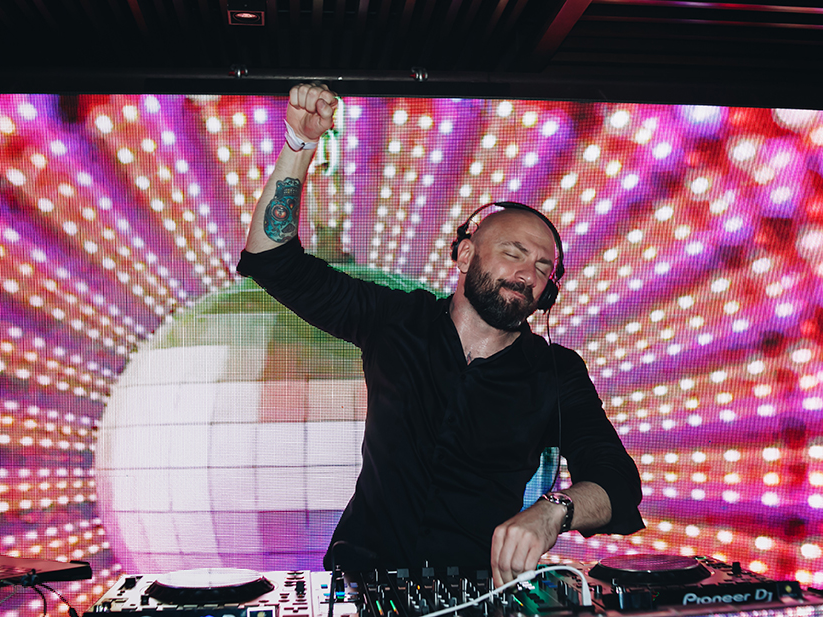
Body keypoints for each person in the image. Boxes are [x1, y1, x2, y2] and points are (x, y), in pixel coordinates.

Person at [237, 83, 644, 587]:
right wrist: (299, 144)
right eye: (513, 253)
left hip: (476, 593)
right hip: (362, 580)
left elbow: (617, 480)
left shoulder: (556, 372)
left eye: (543, 267)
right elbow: (274, 262)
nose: (527, 274)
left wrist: (552, 510)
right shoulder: (395, 319)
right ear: (466, 255)